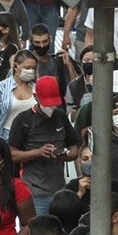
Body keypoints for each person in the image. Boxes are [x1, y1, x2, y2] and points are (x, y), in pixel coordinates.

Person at [8, 76, 79, 215]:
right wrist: (37, 152)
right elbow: (11, 154)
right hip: (35, 191)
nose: (51, 108)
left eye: (53, 104)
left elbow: (75, 149)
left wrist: (63, 156)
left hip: (59, 190)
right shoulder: (23, 120)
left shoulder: (61, 117)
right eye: (47, 104)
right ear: (35, 97)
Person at [0, 49, 38, 140]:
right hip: (6, 138)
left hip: (32, 137)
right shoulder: (2, 87)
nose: (31, 71)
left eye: (33, 68)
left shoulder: (36, 88)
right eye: (27, 68)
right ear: (16, 67)